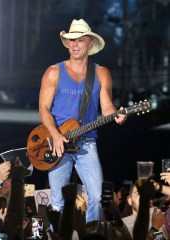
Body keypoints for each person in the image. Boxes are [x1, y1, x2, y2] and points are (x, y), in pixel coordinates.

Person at [39, 19, 126, 223]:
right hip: (57, 142)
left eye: (79, 40)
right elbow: (43, 109)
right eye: (71, 40)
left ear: (89, 44)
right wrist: (55, 135)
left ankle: (92, 235)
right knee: (58, 200)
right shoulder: (54, 72)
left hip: (86, 142)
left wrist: (117, 114)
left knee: (95, 196)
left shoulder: (101, 73)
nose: (74, 44)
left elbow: (106, 107)